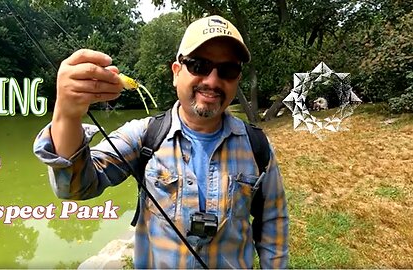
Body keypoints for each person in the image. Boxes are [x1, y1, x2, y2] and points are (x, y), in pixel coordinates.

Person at [34, 15, 288, 269]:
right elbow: (75, 187)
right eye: (199, 65)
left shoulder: (257, 146)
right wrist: (66, 115)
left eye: (228, 70)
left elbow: (273, 223)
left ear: (237, 80)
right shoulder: (144, 135)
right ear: (176, 73)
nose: (212, 81)